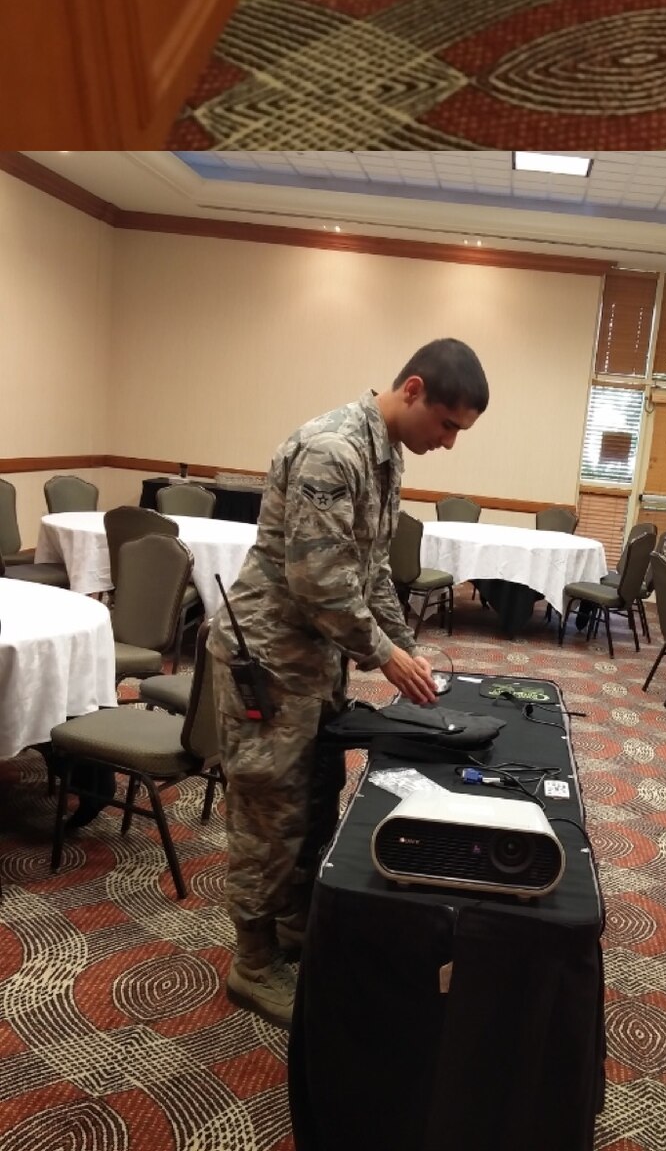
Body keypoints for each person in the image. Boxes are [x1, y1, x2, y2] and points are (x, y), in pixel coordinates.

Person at [213, 340, 489, 1026]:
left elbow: (369, 574)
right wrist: (386, 658)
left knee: (313, 796)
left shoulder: (386, 454)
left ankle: (296, 928)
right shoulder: (333, 451)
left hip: (316, 660)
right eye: (448, 425)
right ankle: (251, 963)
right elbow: (321, 585)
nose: (449, 443)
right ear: (414, 389)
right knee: (268, 813)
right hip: (269, 660)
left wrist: (406, 648)